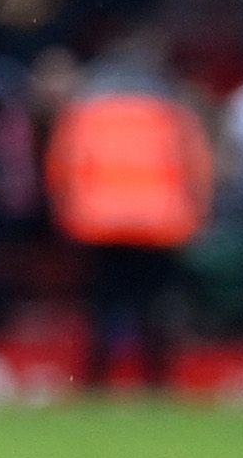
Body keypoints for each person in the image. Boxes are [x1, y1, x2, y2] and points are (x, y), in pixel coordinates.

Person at [44, 47, 213, 393]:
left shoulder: (84, 112)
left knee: (105, 305)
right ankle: (158, 384)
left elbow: (59, 169)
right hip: (161, 223)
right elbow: (198, 167)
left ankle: (96, 383)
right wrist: (196, 217)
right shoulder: (172, 112)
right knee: (158, 304)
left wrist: (67, 216)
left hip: (100, 222)